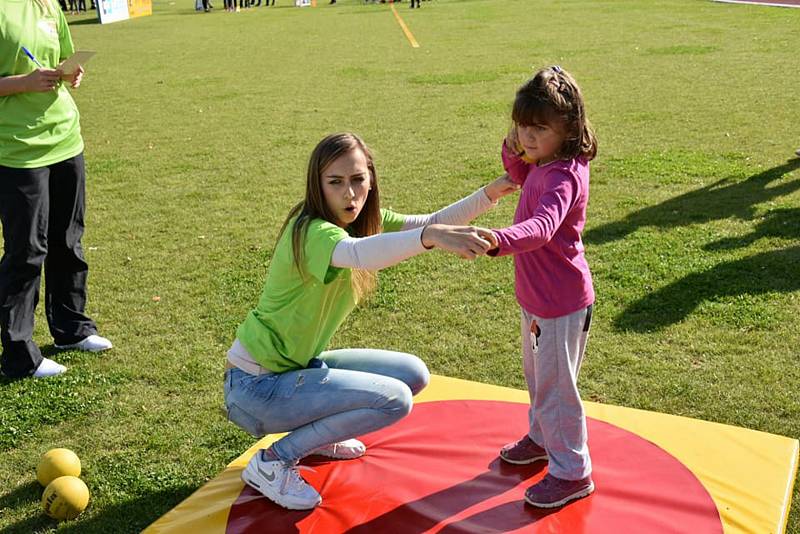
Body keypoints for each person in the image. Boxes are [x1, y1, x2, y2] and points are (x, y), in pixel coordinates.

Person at [225, 132, 518, 510]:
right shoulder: (312, 230)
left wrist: (493, 191)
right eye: (336, 182)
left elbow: (429, 222)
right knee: (393, 400)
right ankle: (273, 461)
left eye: (358, 180)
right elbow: (361, 253)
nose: (350, 194)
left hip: (294, 369)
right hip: (255, 388)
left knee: (413, 374)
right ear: (318, 185)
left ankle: (316, 434)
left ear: (371, 179)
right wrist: (428, 238)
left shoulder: (364, 218)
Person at [486, 66, 597, 508]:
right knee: (539, 381)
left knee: (557, 388)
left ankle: (572, 472)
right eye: (521, 126)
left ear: (567, 128)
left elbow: (542, 228)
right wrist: (512, 148)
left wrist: (497, 240)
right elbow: (519, 172)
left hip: (560, 303)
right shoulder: (545, 162)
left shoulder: (563, 175)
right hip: (537, 301)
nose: (527, 137)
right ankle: (539, 437)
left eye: (539, 129)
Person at [0, 0, 112, 380]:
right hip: (17, 150)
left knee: (68, 240)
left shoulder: (48, 3)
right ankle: (19, 354)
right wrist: (22, 83)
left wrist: (70, 74)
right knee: (27, 251)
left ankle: (72, 329)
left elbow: (62, 57)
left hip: (65, 139)